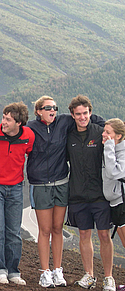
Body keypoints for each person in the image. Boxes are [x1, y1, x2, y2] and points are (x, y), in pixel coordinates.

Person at [26, 96, 104, 288]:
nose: (52, 110)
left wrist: (110, 128)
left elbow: (86, 118)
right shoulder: (30, 128)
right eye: (47, 108)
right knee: (44, 230)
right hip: (41, 184)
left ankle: (57, 271)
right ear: (38, 111)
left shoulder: (64, 121)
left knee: (57, 229)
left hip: (61, 183)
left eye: (54, 107)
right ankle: (45, 272)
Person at [0, 101, 34, 286]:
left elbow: (29, 152)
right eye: (3, 117)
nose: (3, 122)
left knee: (13, 231)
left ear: (19, 123)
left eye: (8, 119)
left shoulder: (28, 136)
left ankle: (13, 271)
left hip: (16, 187)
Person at [67, 95, 115, 291]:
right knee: (84, 234)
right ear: (72, 115)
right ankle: (89, 275)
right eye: (78, 114)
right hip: (77, 194)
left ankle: (109, 278)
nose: (82, 117)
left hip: (100, 195)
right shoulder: (68, 135)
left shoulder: (100, 132)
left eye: (85, 113)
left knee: (104, 235)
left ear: (90, 113)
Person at [102, 118, 125, 249]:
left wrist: (109, 147)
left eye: (107, 132)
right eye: (104, 131)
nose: (103, 134)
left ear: (118, 136)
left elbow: (113, 173)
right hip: (116, 202)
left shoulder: (122, 151)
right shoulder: (114, 150)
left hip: (122, 201)